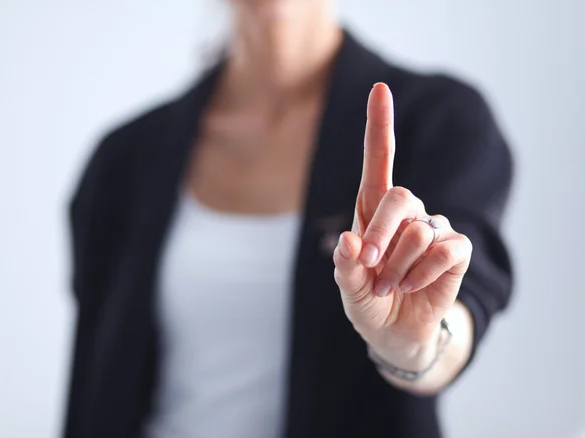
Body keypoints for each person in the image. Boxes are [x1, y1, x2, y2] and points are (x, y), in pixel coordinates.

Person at [63, 1, 513, 437]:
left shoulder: (438, 122)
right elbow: (95, 383)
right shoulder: (125, 159)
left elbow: (464, 302)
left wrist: (414, 346)